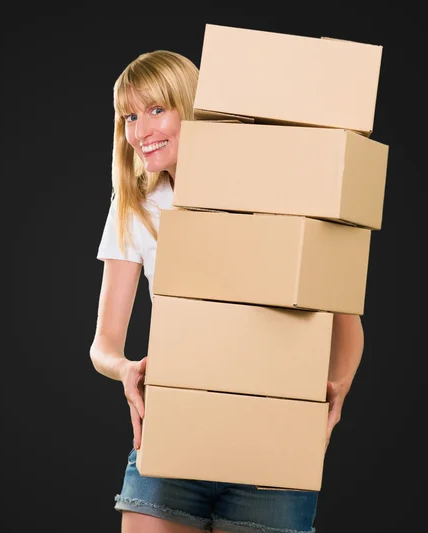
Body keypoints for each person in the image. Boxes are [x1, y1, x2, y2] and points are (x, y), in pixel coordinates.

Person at [89, 50, 364, 533]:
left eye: (157, 109)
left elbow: (344, 318)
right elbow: (103, 344)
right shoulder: (137, 206)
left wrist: (336, 389)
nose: (141, 130)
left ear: (191, 107)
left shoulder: (272, 190)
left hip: (271, 448)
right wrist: (125, 369)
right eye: (130, 116)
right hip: (175, 438)